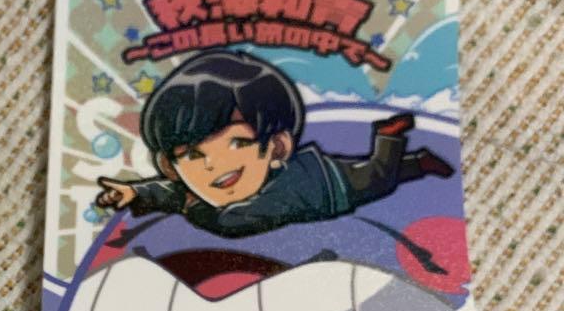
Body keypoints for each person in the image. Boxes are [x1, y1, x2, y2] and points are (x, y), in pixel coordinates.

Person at [96, 50, 453, 238]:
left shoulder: (254, 208)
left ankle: (389, 137)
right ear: (171, 167)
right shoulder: (200, 186)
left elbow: (229, 225)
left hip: (331, 188)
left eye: (237, 143)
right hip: (312, 169)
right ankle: (419, 162)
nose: (213, 165)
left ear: (276, 147)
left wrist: (192, 209)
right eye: (192, 154)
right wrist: (136, 193)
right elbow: (179, 192)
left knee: (379, 178)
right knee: (377, 173)